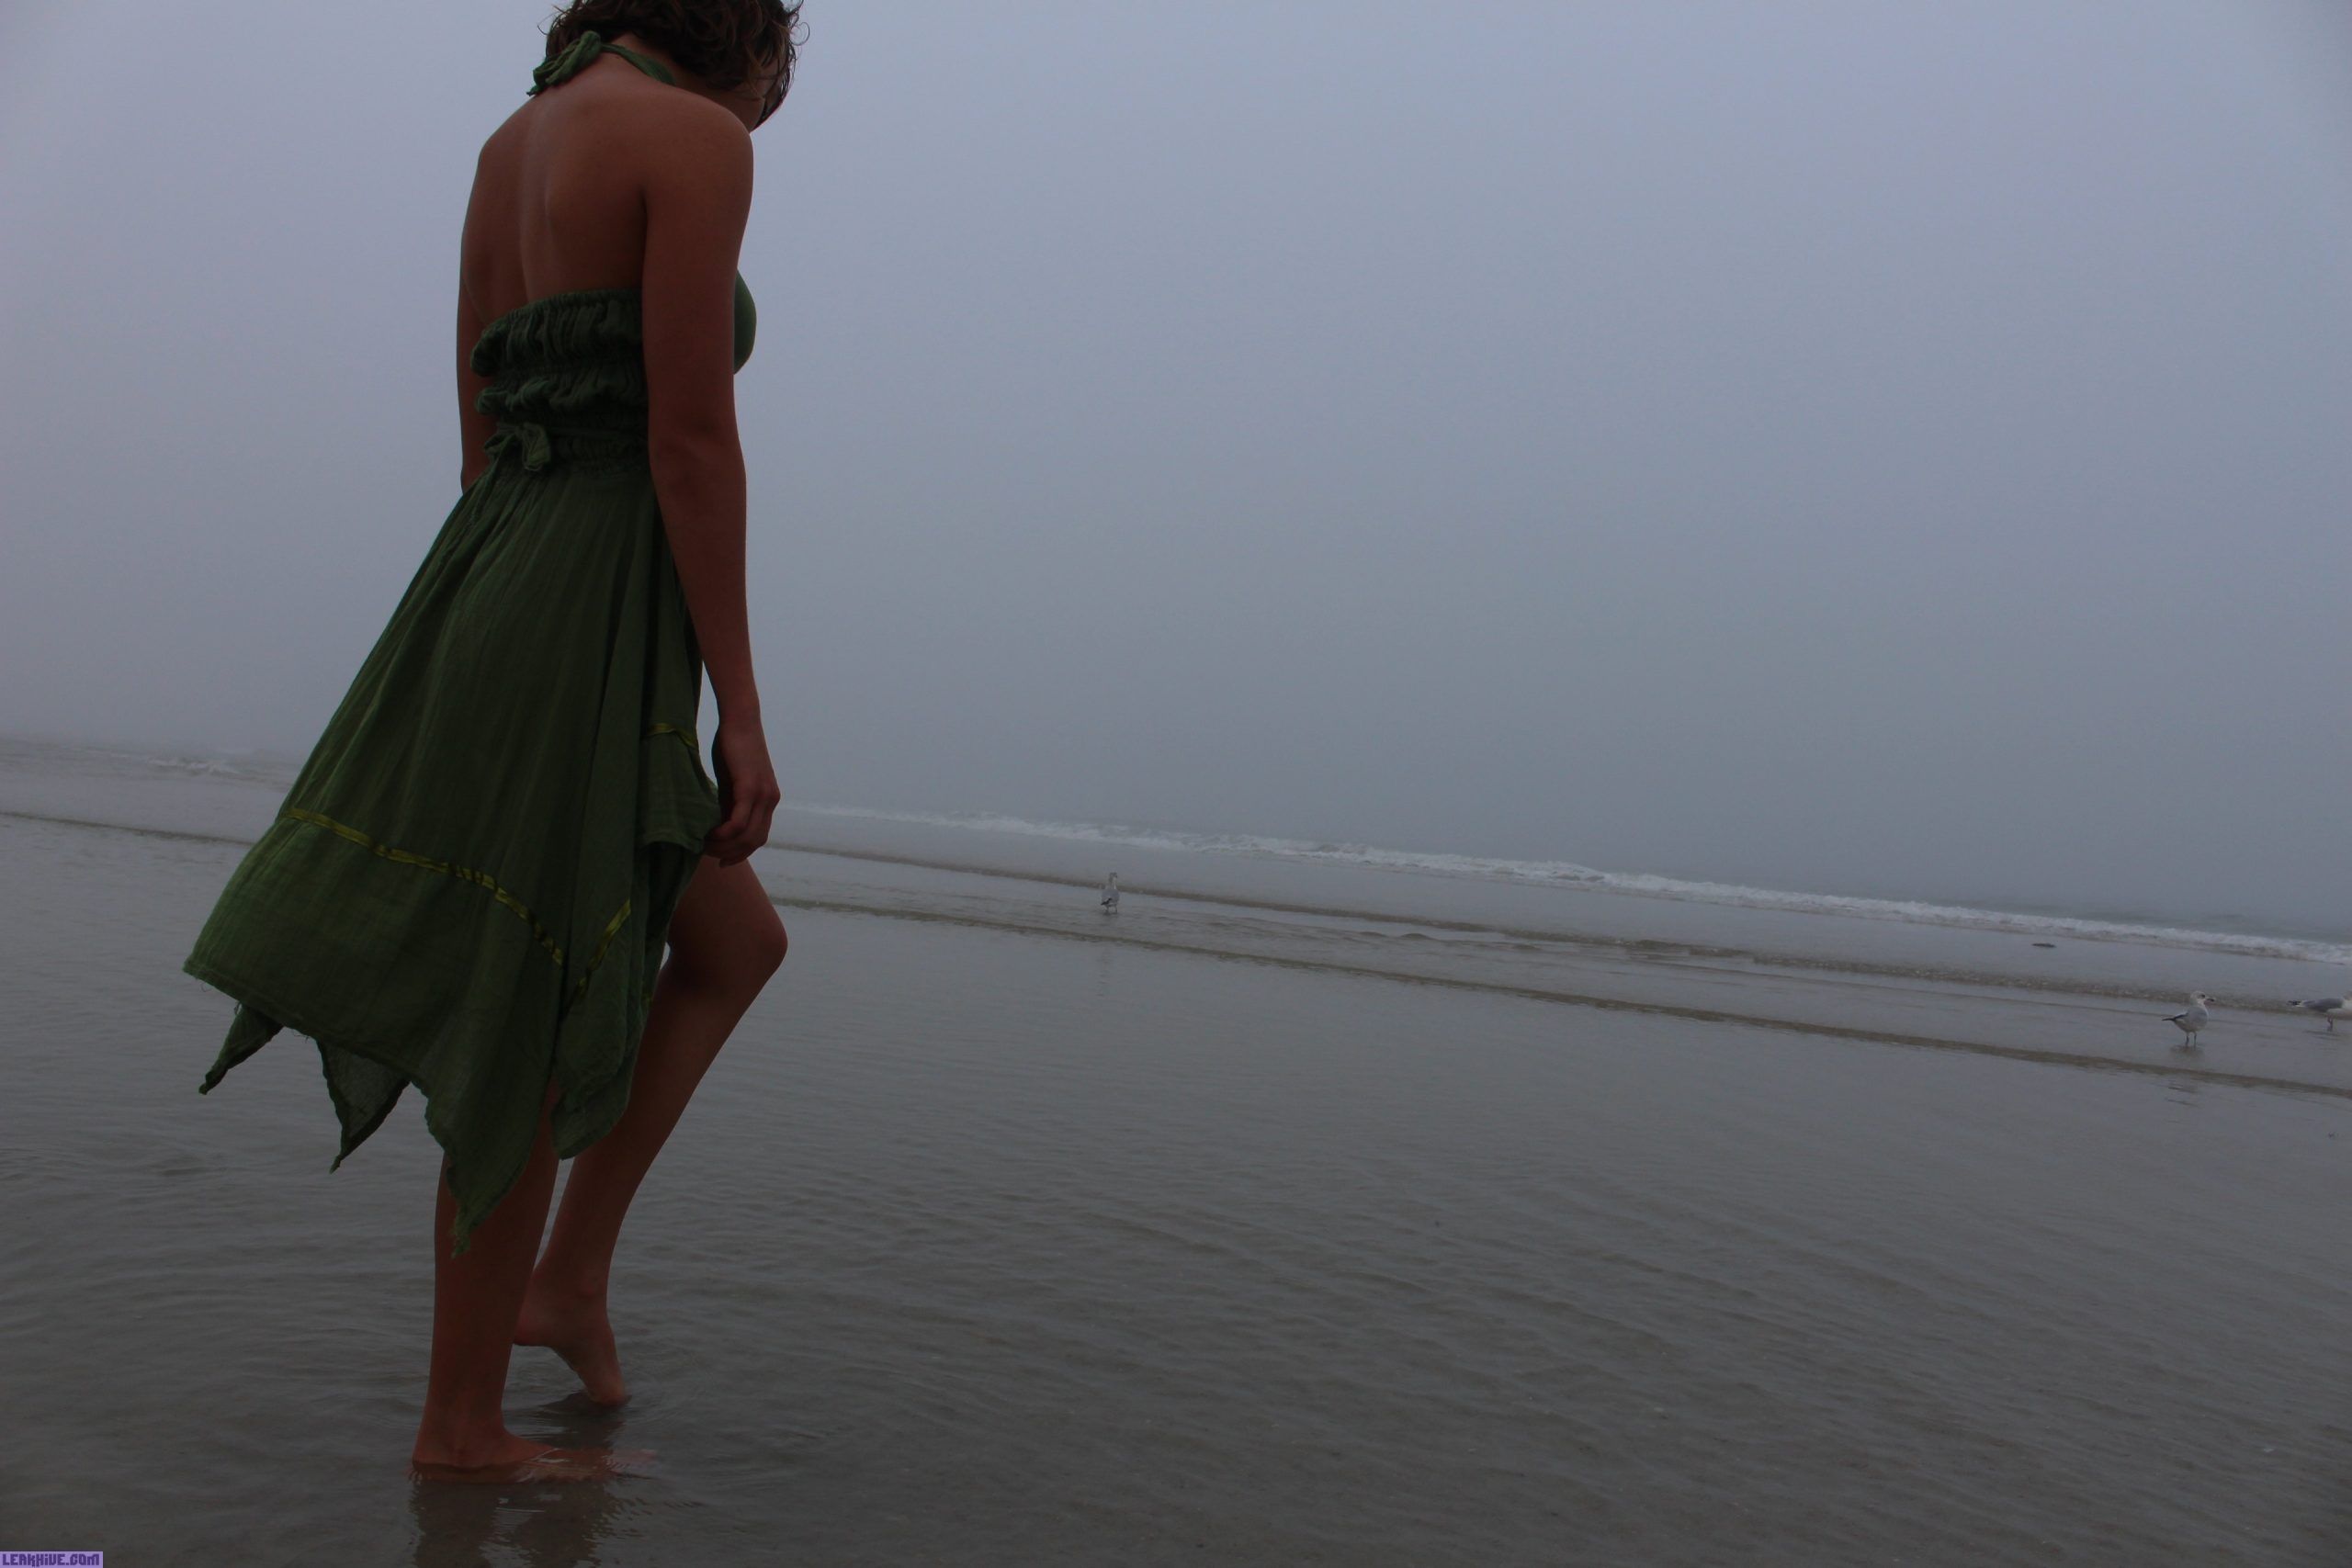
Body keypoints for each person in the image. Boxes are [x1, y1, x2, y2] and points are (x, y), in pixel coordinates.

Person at [180, 0, 803, 1483]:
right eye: (781, 76)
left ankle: (566, 1283)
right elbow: (689, 439)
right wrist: (739, 706)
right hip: (583, 600)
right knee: (533, 993)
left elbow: (481, 433)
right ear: (748, 40)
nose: (774, 106)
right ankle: (458, 1427)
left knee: (734, 944)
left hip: (497, 571)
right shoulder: (691, 139)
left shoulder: (509, 148)